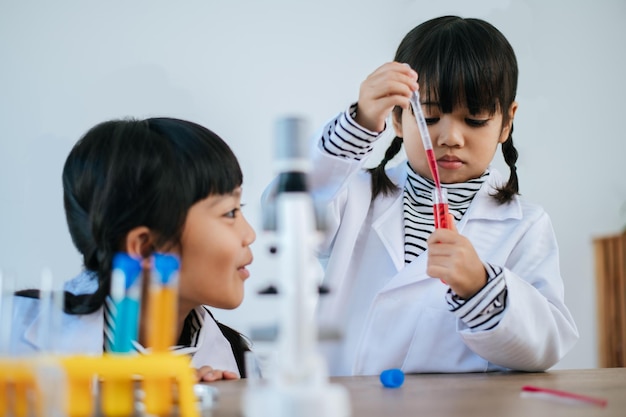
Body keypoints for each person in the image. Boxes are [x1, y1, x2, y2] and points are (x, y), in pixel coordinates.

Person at [300, 16, 579, 376]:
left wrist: (481, 285)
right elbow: (290, 213)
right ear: (398, 120)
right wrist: (361, 123)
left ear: (506, 123)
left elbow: (545, 347)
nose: (450, 137)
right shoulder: (353, 196)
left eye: (475, 119)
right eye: (429, 117)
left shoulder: (525, 225)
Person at [10, 117, 256, 381]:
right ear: (146, 248)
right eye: (230, 212)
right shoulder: (12, 332)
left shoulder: (238, 362)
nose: (250, 235)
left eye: (240, 209)